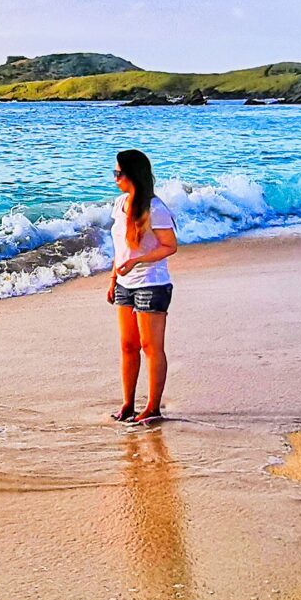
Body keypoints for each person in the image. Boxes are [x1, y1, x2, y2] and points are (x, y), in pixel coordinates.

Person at [106, 147, 181, 424]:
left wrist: (138, 261)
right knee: (128, 345)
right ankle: (127, 404)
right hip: (125, 284)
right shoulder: (119, 204)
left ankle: (152, 407)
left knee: (151, 346)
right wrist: (113, 279)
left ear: (133, 175)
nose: (115, 178)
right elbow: (119, 248)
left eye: (119, 173)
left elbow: (170, 246)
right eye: (114, 173)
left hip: (152, 283)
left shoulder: (155, 208)